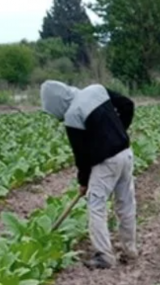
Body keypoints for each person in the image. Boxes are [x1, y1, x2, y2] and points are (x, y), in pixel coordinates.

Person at [40, 80, 136, 270]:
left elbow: (81, 156)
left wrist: (84, 182)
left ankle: (105, 257)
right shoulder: (96, 89)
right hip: (125, 154)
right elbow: (127, 105)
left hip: (106, 163)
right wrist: (118, 132)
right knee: (126, 203)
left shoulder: (72, 115)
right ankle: (130, 250)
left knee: (96, 206)